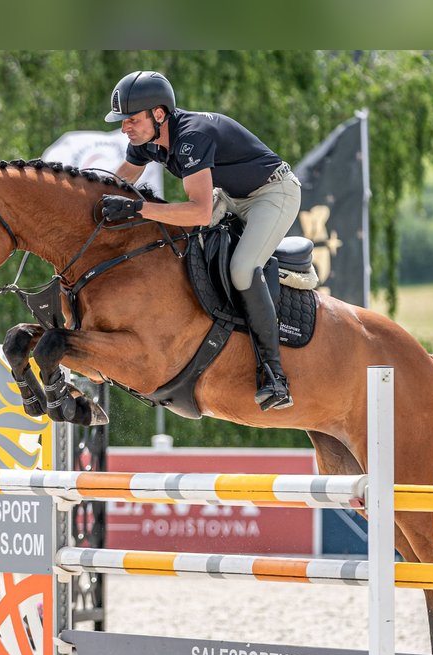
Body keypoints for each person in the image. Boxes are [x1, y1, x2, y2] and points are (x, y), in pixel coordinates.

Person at [100, 70, 300, 412]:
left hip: (273, 194)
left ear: (158, 114)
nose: (124, 128)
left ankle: (274, 375)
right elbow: (120, 181)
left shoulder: (191, 137)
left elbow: (199, 212)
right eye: (123, 121)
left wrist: (137, 209)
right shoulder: (147, 141)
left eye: (132, 119)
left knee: (241, 269)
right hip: (232, 196)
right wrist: (91, 206)